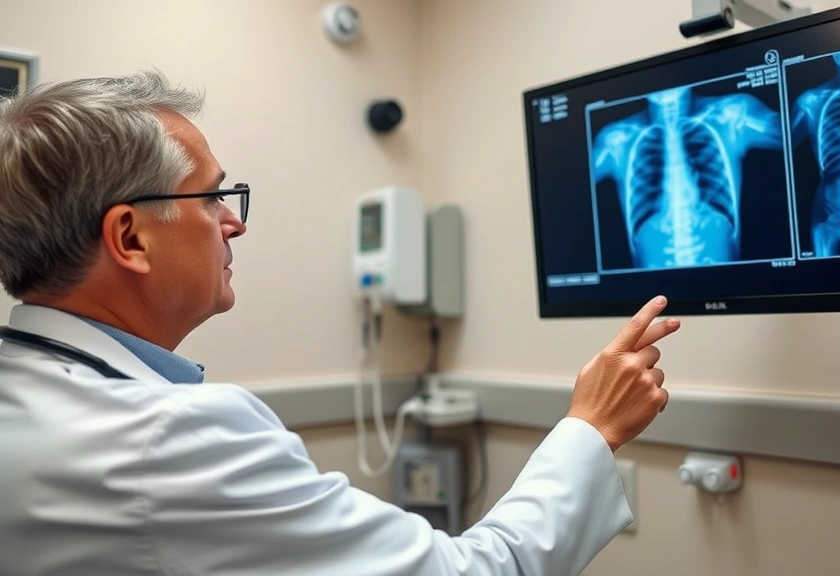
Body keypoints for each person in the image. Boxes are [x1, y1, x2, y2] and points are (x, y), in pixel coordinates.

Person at [0, 70, 679, 575]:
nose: (234, 221)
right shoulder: (167, 438)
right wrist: (591, 427)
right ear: (131, 238)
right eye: (213, 197)